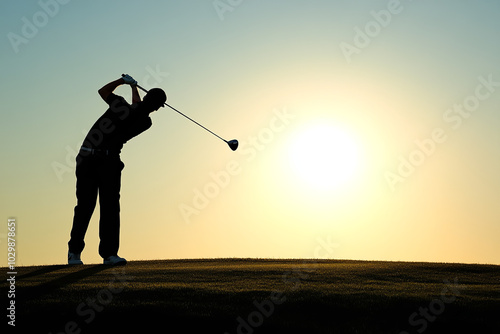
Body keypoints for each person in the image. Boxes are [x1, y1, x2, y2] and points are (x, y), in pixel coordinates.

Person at [68, 74, 166, 265]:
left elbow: (103, 92)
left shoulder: (122, 107)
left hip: (96, 159)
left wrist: (122, 82)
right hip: (99, 160)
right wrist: (133, 88)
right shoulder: (145, 120)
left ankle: (83, 253)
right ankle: (104, 254)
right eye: (156, 105)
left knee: (93, 207)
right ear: (155, 105)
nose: (155, 109)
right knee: (101, 208)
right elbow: (138, 107)